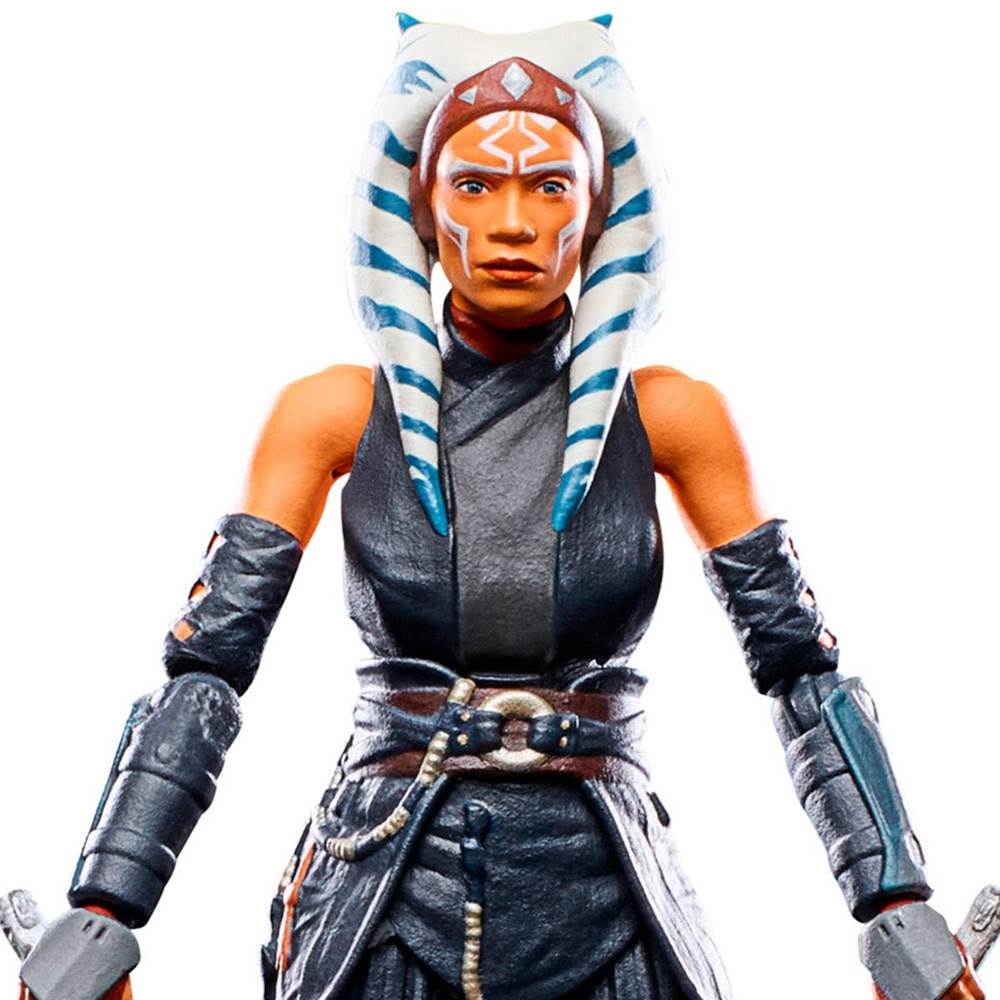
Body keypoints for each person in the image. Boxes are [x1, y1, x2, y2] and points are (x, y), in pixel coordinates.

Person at [12, 15, 985, 1000]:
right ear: (422, 207)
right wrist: (104, 911)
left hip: (609, 885)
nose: (513, 224)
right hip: (391, 881)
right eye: (475, 185)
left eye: (548, 185)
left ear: (598, 212)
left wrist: (893, 902)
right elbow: (209, 666)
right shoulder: (334, 413)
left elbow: (797, 667)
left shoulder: (671, 417)